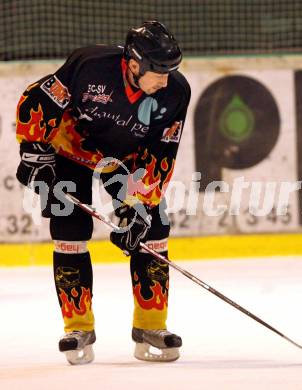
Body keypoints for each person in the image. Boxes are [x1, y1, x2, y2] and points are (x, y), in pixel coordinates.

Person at [15, 21, 191, 365]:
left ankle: (151, 326)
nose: (165, 80)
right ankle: (77, 327)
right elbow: (36, 98)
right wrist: (34, 150)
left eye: (171, 71)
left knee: (152, 229)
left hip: (125, 162)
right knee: (69, 230)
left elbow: (162, 152)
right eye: (158, 71)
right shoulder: (89, 65)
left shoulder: (175, 93)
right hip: (69, 152)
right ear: (135, 64)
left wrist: (140, 205)